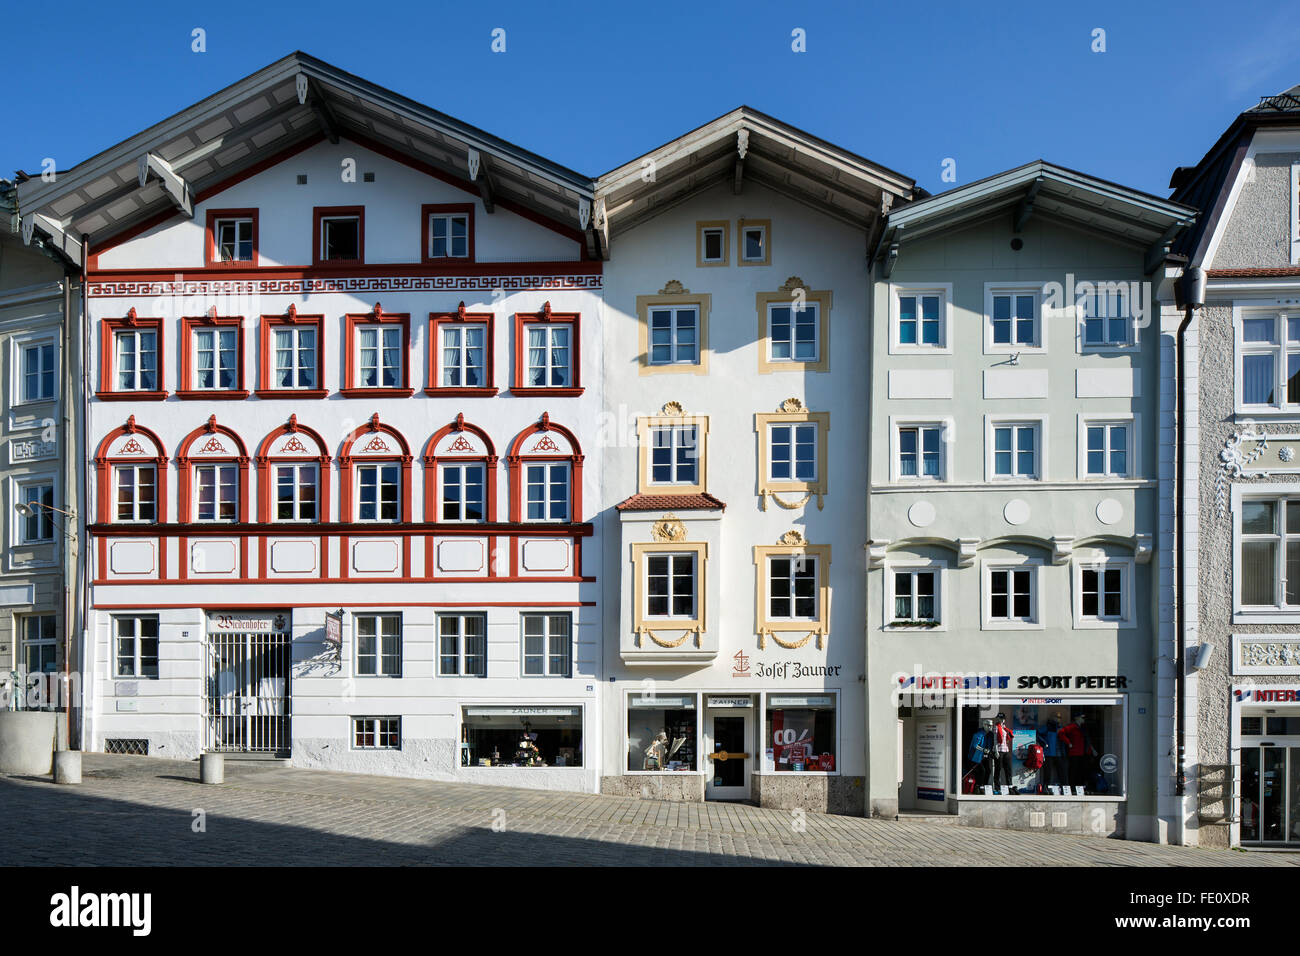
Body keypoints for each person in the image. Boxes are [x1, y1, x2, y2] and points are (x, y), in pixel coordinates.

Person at [1058, 713, 1096, 790]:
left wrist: (1092, 750)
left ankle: (1079, 787)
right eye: (1082, 718)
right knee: (1073, 771)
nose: (1083, 719)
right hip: (1074, 753)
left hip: (1083, 753)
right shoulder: (1071, 727)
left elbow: (1087, 741)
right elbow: (1061, 733)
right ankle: (1072, 787)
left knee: (1081, 770)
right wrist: (1068, 743)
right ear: (1077, 718)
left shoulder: (1082, 728)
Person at [1038, 718, 1068, 791]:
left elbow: (1063, 741)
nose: (1059, 720)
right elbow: (1038, 733)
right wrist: (1044, 743)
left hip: (1059, 753)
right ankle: (1046, 787)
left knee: (1062, 771)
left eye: (1060, 718)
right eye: (1057, 718)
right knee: (1047, 772)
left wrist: (1064, 752)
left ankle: (1065, 788)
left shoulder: (1060, 728)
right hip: (1049, 753)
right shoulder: (1047, 727)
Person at [992, 713, 1015, 793]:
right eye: (1000, 718)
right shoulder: (996, 727)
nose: (1001, 720)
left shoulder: (1005, 728)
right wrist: (996, 751)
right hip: (999, 750)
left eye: (1002, 718)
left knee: (1008, 769)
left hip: (1006, 750)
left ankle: (1010, 786)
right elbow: (994, 739)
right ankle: (997, 788)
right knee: (998, 769)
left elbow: (1006, 739)